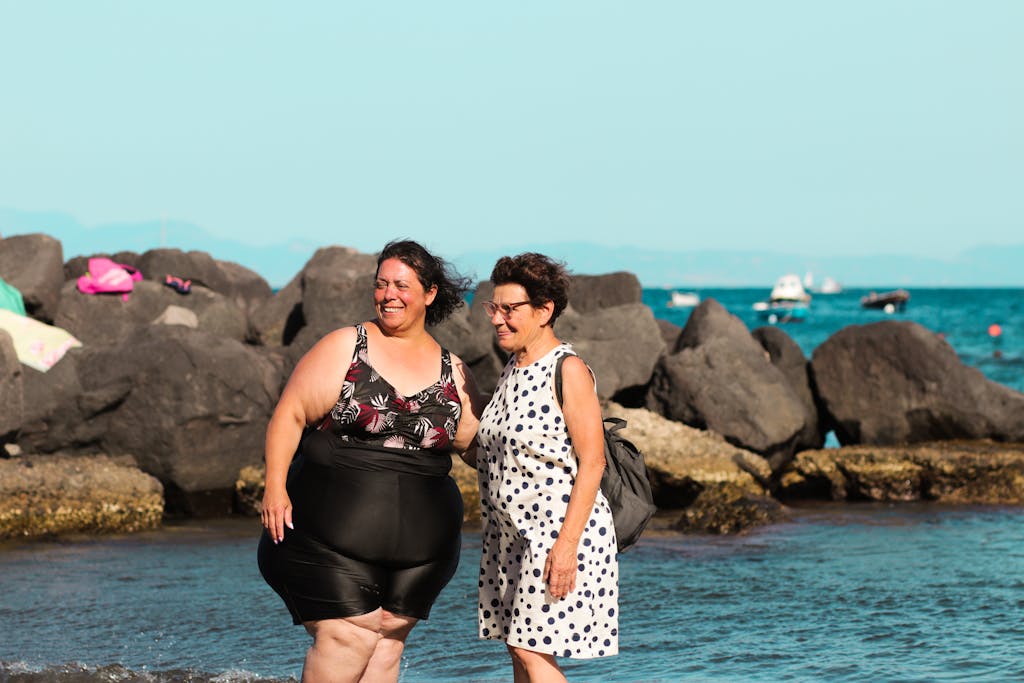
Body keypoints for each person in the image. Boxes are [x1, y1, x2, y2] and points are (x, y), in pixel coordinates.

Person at [257, 239, 482, 683]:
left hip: (422, 554)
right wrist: (275, 486)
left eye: (401, 284)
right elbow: (290, 414)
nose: (388, 294)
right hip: (325, 538)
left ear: (430, 293)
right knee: (348, 638)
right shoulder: (346, 346)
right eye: (381, 284)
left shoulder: (452, 369)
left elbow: (477, 448)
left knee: (385, 645)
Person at [474, 253, 618, 682]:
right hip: (510, 536)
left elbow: (593, 462)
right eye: (493, 308)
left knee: (528, 648)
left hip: (558, 533)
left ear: (544, 310)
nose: (497, 319)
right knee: (519, 652)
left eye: (509, 309)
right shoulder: (511, 371)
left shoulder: (567, 370)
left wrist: (566, 546)